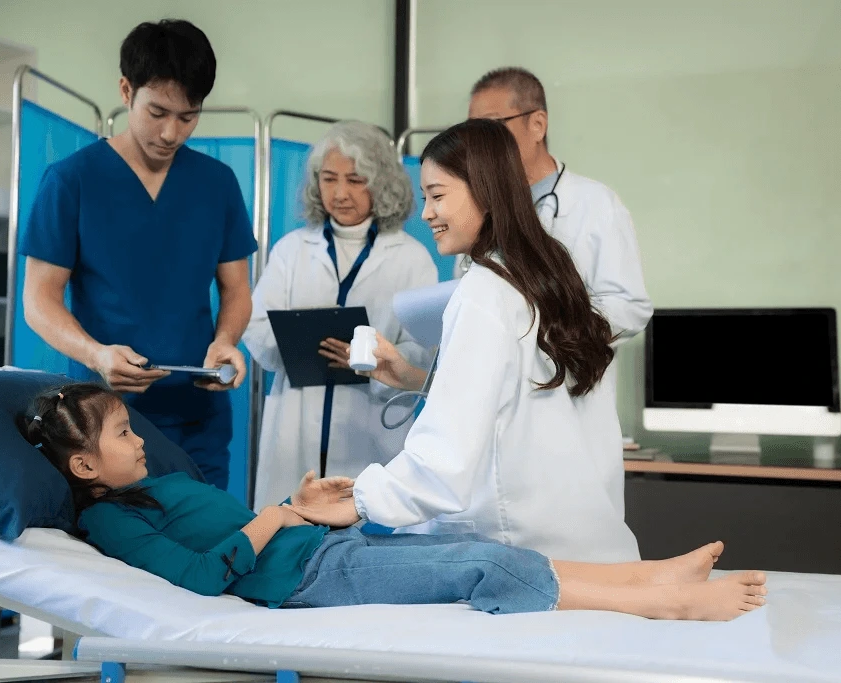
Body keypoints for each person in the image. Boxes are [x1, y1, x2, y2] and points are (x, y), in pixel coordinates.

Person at [17, 381, 768, 621]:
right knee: (474, 566)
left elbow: (239, 526)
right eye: (121, 433)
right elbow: (207, 577)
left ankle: (652, 574)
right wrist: (280, 516)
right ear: (84, 463)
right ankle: (661, 605)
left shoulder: (158, 482)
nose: (139, 438)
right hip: (308, 578)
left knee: (479, 541)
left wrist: (295, 500)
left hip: (316, 541)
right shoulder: (113, 520)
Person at [287, 119, 643, 563]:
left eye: (437, 196)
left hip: (522, 548)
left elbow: (445, 461)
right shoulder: (549, 276)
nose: (426, 213)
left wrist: (358, 499)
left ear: (487, 193)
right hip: (586, 538)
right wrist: (414, 377)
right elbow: (521, 404)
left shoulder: (483, 293)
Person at [21, 19, 257, 490]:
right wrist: (96, 354)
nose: (171, 132)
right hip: (100, 422)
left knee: (208, 544)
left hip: (199, 419)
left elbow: (236, 289)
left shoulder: (217, 184)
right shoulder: (72, 180)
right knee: (115, 555)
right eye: (158, 112)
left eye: (188, 117)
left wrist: (226, 339)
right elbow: (39, 300)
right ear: (126, 91)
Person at [242, 121, 437, 511]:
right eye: (329, 179)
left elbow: (424, 351)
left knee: (364, 537)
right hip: (295, 424)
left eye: (355, 179)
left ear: (380, 184)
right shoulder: (291, 250)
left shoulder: (411, 258)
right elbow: (256, 325)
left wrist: (378, 361)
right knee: (287, 536)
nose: (340, 193)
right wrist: (299, 338)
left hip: (369, 427)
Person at [467, 66, 653, 344]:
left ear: (538, 125)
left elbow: (629, 307)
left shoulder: (595, 204)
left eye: (493, 126)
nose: (483, 143)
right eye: (474, 131)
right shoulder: (480, 207)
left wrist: (552, 331)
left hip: (567, 380)